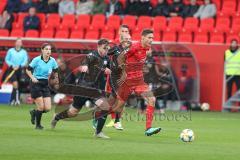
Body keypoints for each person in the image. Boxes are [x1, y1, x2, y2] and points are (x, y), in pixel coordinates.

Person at [51, 39, 112, 138]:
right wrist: (87, 66)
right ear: (99, 47)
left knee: (105, 107)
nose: (106, 50)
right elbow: (85, 63)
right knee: (73, 112)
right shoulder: (91, 55)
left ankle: (98, 132)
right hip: (83, 88)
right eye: (104, 48)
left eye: (107, 48)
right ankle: (57, 117)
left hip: (95, 90)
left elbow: (112, 69)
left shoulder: (106, 58)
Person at [112, 29, 168, 136]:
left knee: (152, 99)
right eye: (149, 38)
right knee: (119, 105)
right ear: (142, 38)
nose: (151, 40)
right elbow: (120, 58)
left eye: (152, 38)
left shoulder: (147, 48)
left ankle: (148, 129)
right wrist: (122, 70)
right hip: (127, 81)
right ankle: (101, 116)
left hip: (139, 82)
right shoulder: (134, 47)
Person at [27, 43, 58, 130]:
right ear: (42, 50)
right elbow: (28, 70)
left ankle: (34, 112)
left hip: (45, 84)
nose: (48, 51)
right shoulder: (36, 60)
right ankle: (38, 125)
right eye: (46, 49)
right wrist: (32, 77)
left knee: (47, 108)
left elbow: (56, 71)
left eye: (50, 49)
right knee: (41, 107)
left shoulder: (53, 60)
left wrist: (56, 80)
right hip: (35, 83)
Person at [105, 25, 130, 129]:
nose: (125, 33)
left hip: (124, 76)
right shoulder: (113, 44)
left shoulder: (130, 45)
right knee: (111, 99)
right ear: (119, 32)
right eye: (123, 31)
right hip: (113, 75)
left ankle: (116, 120)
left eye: (126, 31)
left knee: (121, 99)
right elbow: (106, 56)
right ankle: (104, 117)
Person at [2, 38, 28, 106]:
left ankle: (12, 100)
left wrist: (19, 66)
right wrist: (12, 65)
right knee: (15, 84)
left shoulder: (24, 52)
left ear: (21, 44)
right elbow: (7, 59)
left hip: (20, 70)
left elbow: (25, 61)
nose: (18, 43)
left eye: (20, 42)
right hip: (12, 70)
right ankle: (17, 101)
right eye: (17, 42)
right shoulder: (10, 51)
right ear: (15, 43)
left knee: (18, 86)